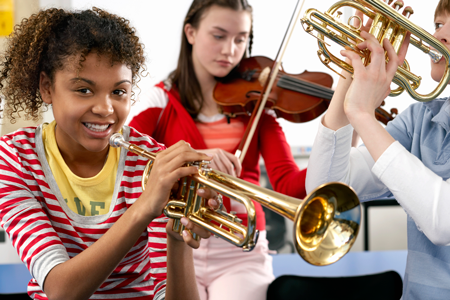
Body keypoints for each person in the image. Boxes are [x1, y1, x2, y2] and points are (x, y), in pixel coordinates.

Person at [0, 7, 220, 300]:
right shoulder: (15, 157)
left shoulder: (151, 160)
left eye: (119, 92)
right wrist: (143, 208)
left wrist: (177, 235)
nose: (105, 109)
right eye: (84, 90)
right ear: (47, 87)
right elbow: (60, 290)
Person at [127, 1, 308, 299]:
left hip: (240, 248)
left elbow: (288, 184)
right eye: (219, 35)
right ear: (191, 32)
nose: (230, 50)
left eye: (241, 39)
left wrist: (338, 133)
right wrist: (197, 157)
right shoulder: (160, 99)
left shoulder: (258, 104)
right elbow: (125, 159)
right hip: (171, 245)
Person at [305, 0, 450, 298]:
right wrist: (354, 71)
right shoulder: (421, 119)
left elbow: (442, 222)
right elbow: (327, 188)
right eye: (438, 24)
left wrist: (361, 113)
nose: (441, 35)